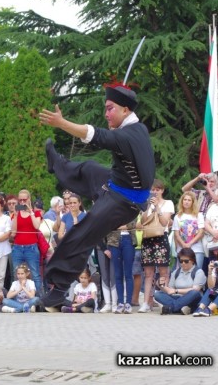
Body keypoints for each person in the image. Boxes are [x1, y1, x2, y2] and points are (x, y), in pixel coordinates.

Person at [37, 83, 155, 308]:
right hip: (116, 183)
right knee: (90, 169)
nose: (106, 114)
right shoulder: (134, 129)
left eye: (110, 109)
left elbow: (95, 135)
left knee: (84, 231)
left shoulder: (128, 136)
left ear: (125, 110)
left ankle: (58, 289)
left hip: (124, 201)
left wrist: (61, 123)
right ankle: (57, 163)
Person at [139, 179, 174, 313]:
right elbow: (142, 222)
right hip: (148, 238)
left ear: (162, 190)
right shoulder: (146, 203)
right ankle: (146, 302)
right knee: (148, 273)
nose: (155, 192)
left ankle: (164, 299)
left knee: (163, 272)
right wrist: (148, 207)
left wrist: (158, 208)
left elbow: (165, 222)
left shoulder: (168, 203)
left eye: (157, 189)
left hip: (161, 238)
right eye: (152, 190)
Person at [153, 248, 206, 315]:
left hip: (191, 299)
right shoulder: (176, 272)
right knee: (158, 294)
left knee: (194, 293)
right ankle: (182, 308)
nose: (183, 263)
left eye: (186, 261)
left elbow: (195, 289)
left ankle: (169, 308)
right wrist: (161, 285)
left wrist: (176, 291)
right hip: (177, 297)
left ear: (193, 261)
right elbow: (170, 290)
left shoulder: (199, 272)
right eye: (181, 261)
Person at [10, 189, 43, 293]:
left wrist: (31, 212)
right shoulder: (16, 213)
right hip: (18, 247)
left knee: (35, 274)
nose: (22, 202)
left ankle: (38, 300)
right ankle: (18, 297)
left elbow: (36, 226)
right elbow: (13, 232)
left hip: (31, 247)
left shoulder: (36, 212)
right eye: (20, 200)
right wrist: (15, 216)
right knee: (16, 274)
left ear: (29, 199)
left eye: (25, 199)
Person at [106, 219, 137, 314]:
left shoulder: (131, 207)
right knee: (118, 274)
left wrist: (120, 226)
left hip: (128, 240)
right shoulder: (112, 209)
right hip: (114, 241)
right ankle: (120, 302)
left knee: (128, 273)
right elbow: (108, 224)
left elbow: (133, 224)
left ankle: (128, 303)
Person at [193, 249, 218, 317]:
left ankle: (209, 309)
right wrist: (210, 272)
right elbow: (211, 286)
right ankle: (200, 308)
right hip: (217, 292)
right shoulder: (216, 268)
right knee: (211, 289)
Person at [172, 191, 205, 270]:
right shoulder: (178, 216)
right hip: (182, 250)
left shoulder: (199, 215)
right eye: (185, 199)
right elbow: (176, 234)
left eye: (189, 200)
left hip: (196, 249)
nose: (186, 202)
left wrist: (190, 243)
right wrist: (183, 244)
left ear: (193, 202)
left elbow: (201, 232)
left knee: (196, 272)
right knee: (182, 273)